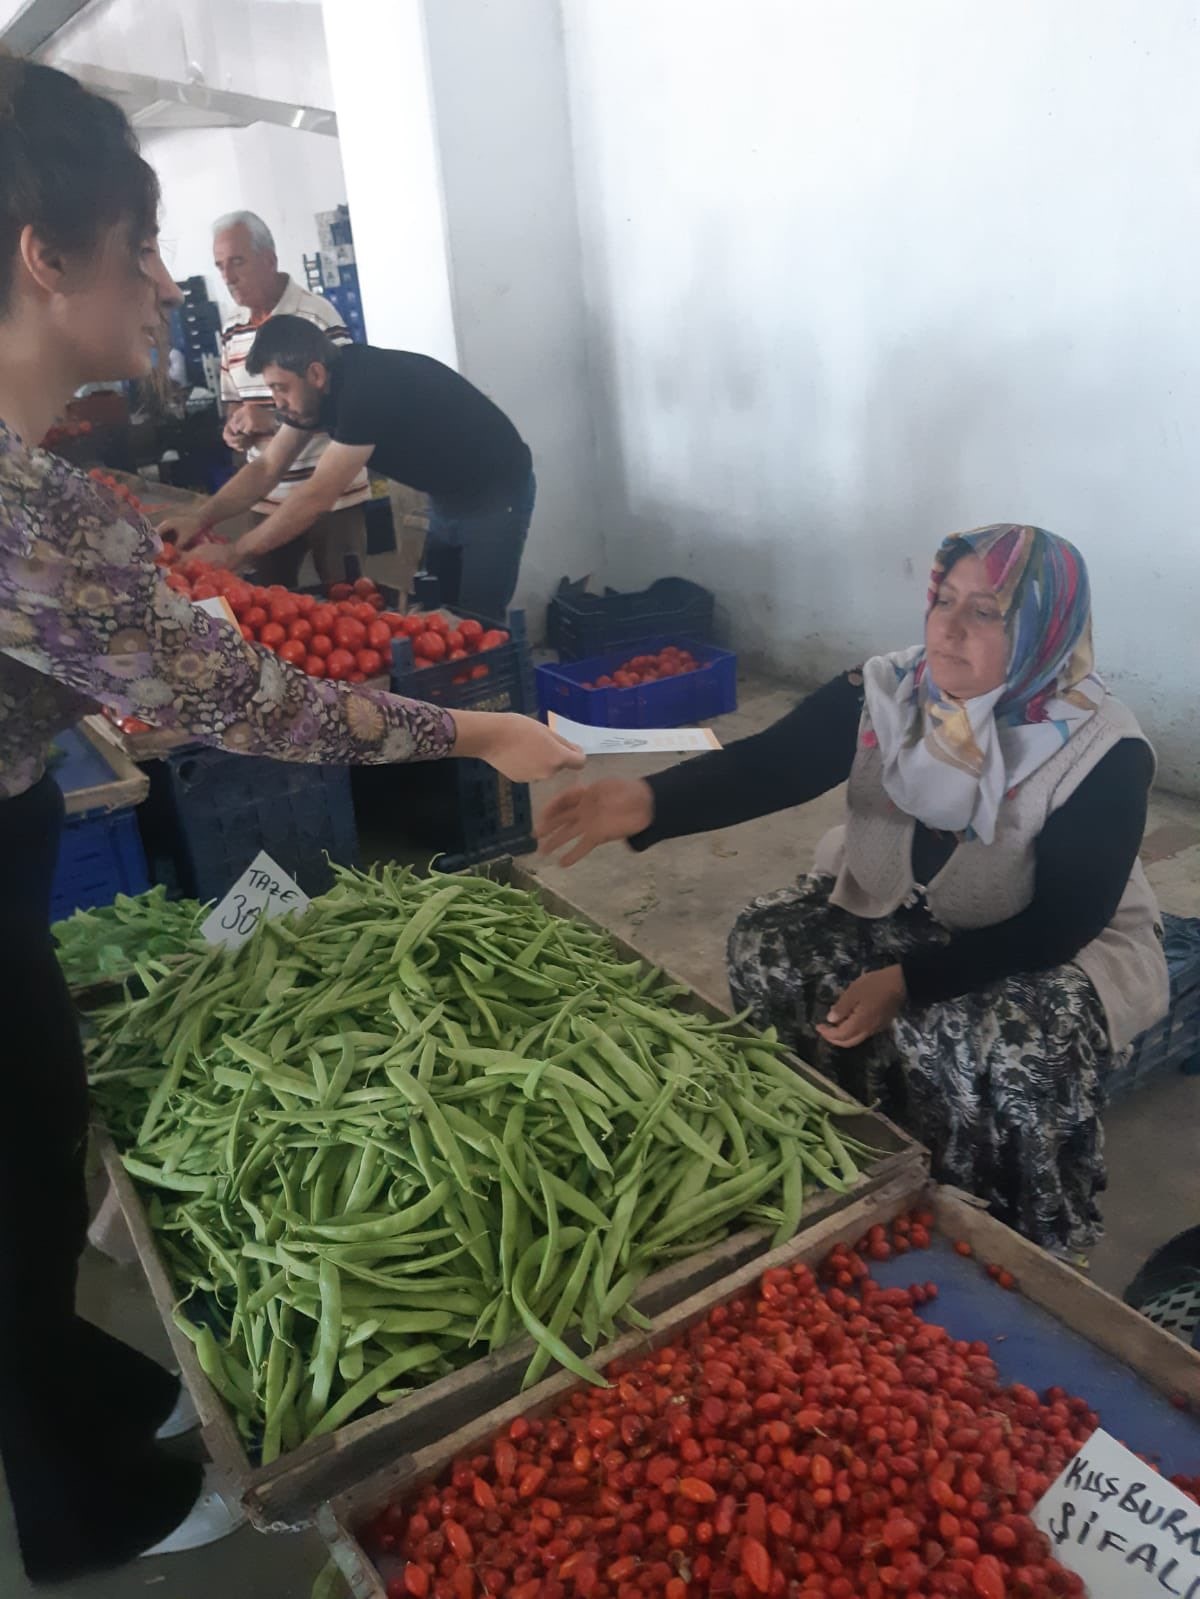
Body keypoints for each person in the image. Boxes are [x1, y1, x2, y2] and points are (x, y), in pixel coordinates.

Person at [0, 59, 582, 1585]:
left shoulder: (45, 484)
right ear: (40, 257)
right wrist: (470, 724)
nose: (167, 278)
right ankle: (83, 1508)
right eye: (138, 244)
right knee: (12, 1169)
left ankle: (94, 1425)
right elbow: (243, 700)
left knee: (36, 1129)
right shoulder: (30, 508)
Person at [539, 525, 1170, 1256]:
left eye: (987, 611)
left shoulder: (1100, 749)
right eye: (944, 599)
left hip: (1044, 945)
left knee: (998, 1041)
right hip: (901, 902)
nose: (949, 627)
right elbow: (775, 763)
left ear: (1043, 631)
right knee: (768, 946)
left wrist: (908, 980)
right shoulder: (892, 692)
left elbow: (1066, 919)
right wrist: (651, 802)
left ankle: (1008, 1234)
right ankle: (841, 1156)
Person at [159, 315, 535, 620]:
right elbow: (267, 467)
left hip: (496, 491)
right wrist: (201, 517)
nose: (277, 402)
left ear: (316, 374)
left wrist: (234, 553)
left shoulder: (363, 389)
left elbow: (318, 494)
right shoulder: (315, 395)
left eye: (280, 388)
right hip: (448, 496)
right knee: (442, 610)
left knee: (479, 623)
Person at [211, 210, 371, 588]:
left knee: (348, 605)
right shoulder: (232, 327)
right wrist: (235, 427)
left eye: (237, 262)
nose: (228, 277)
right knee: (270, 611)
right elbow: (234, 400)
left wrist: (271, 421)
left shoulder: (315, 318)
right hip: (266, 498)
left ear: (269, 259)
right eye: (219, 266)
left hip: (332, 501)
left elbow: (346, 410)